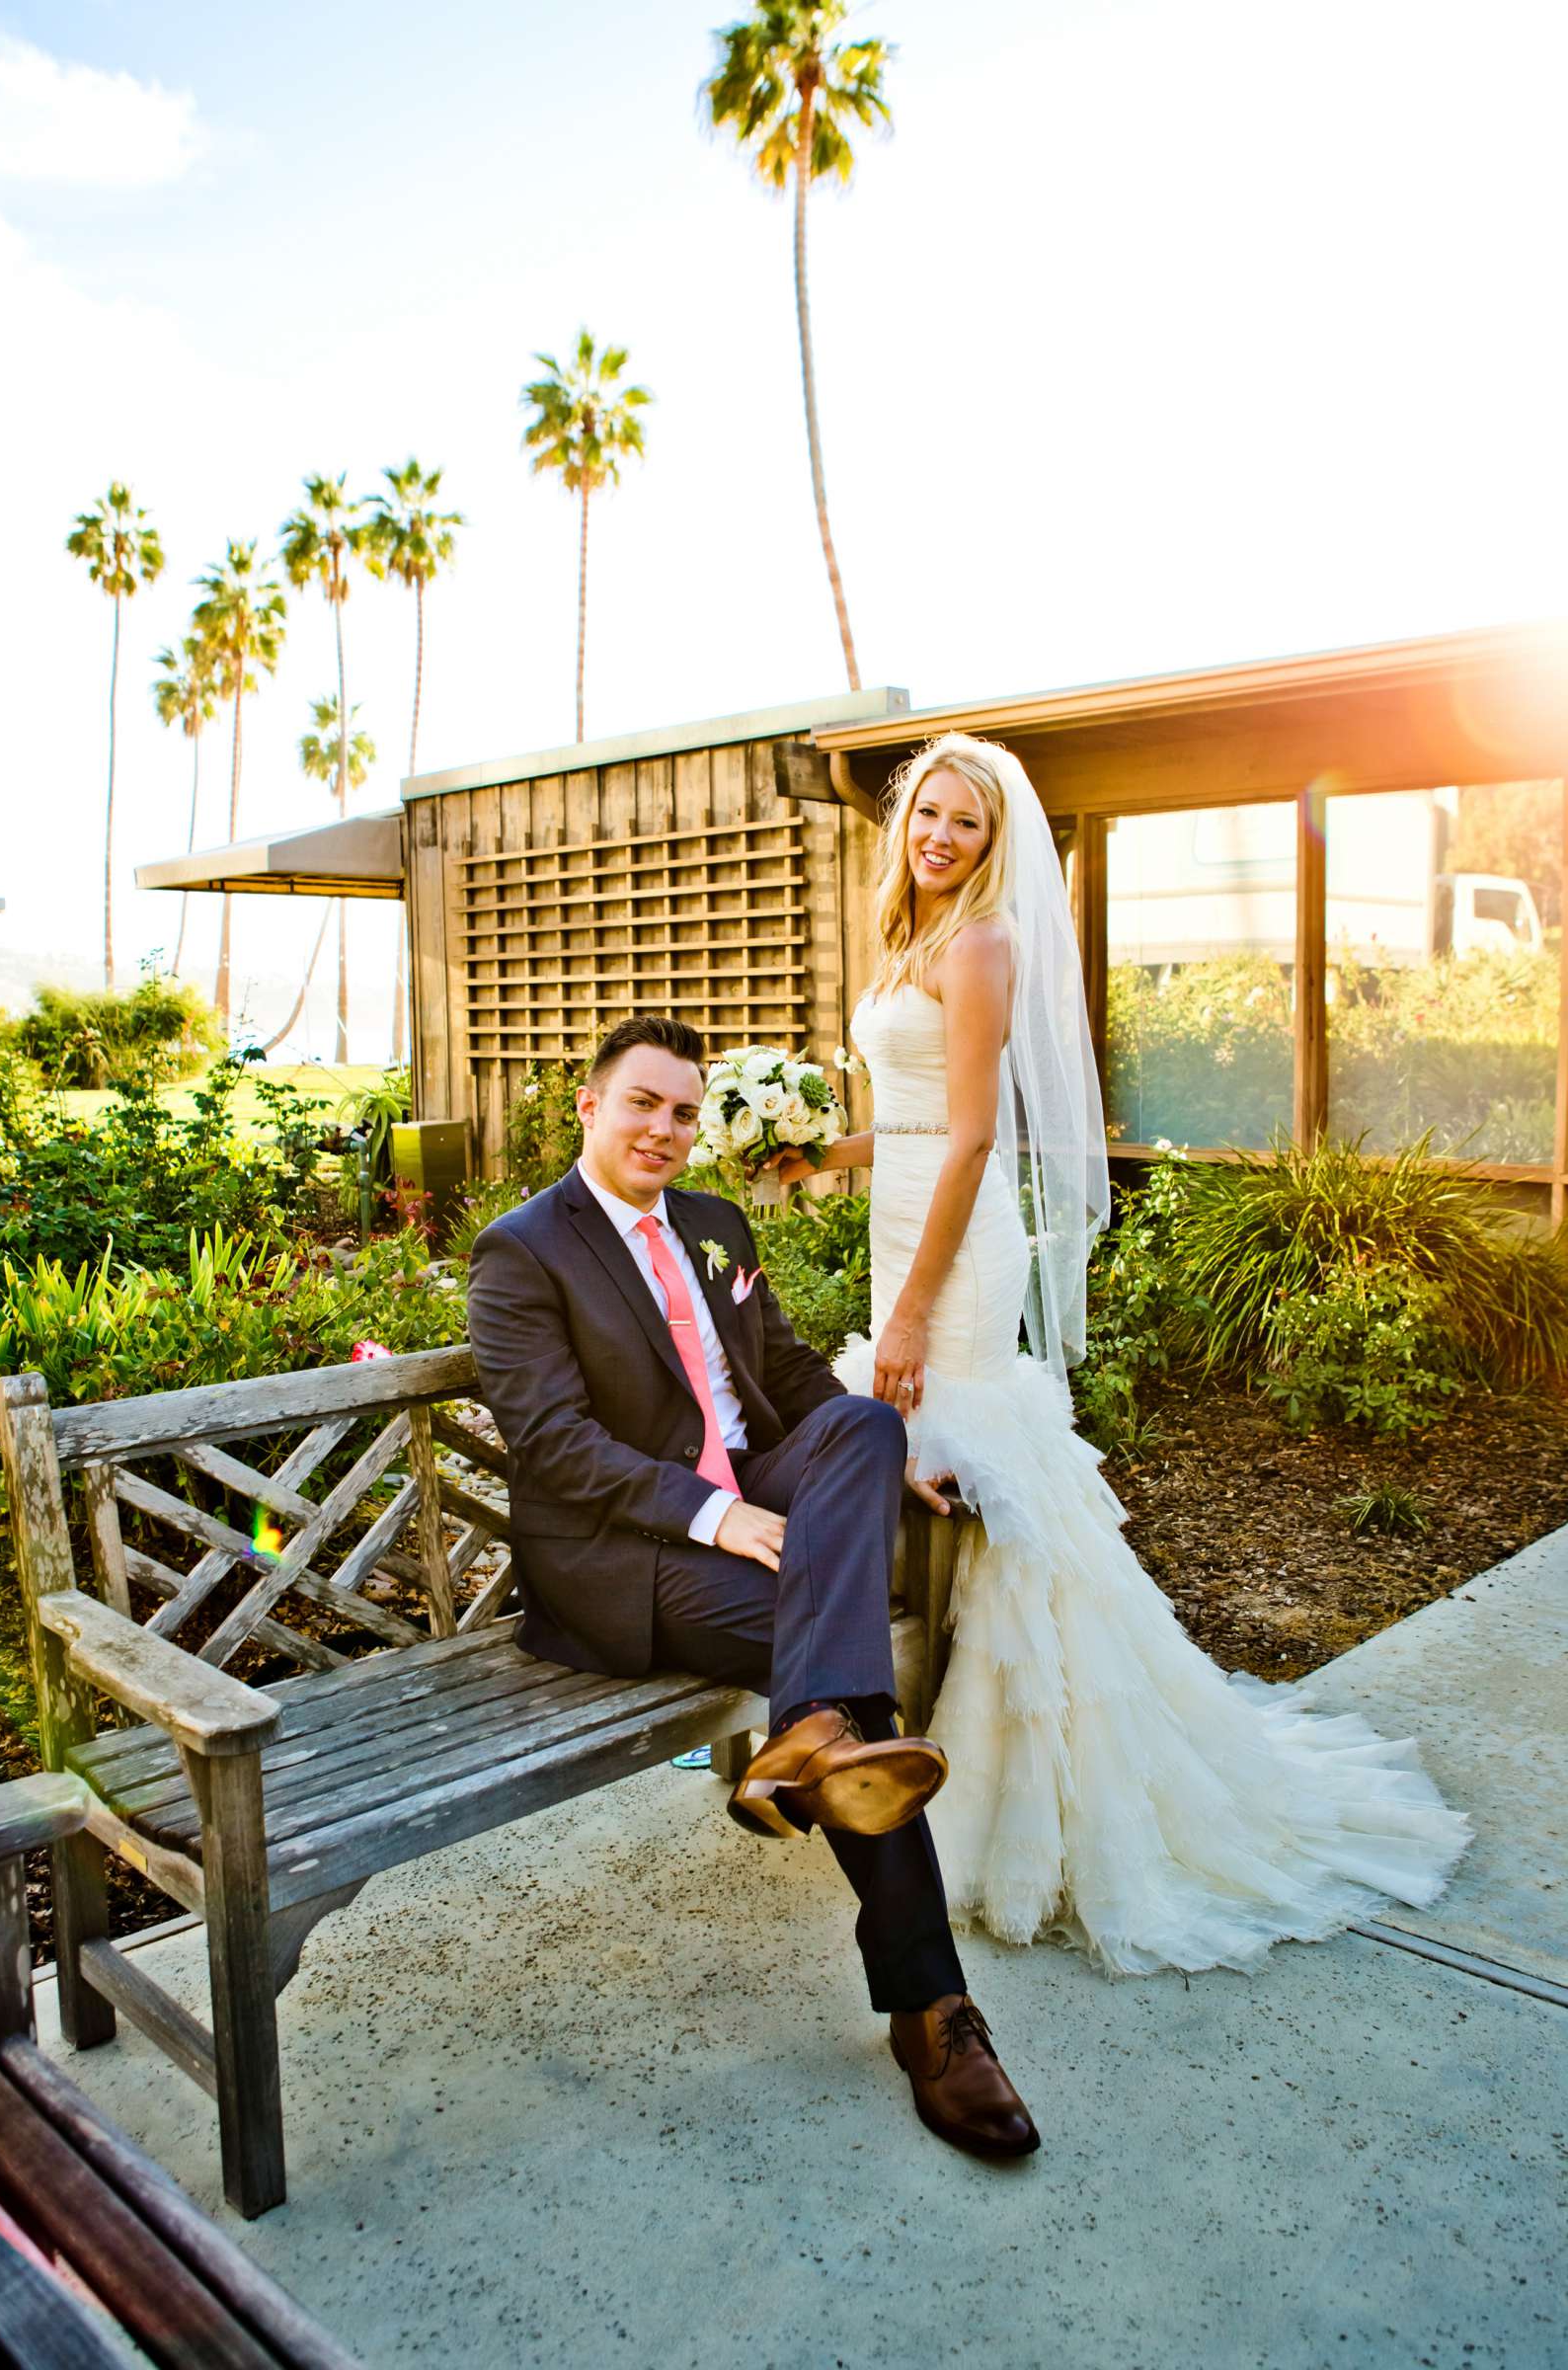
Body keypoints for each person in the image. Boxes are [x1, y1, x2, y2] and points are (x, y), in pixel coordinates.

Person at [765, 732, 1470, 1972]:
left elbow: (977, 1142)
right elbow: (917, 1121)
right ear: (904, 824)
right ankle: (899, 1729)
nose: (940, 837)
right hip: (903, 1221)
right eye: (928, 815)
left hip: (956, 1250)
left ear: (994, 845)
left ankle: (1016, 1771)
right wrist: (818, 1156)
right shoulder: (908, 942)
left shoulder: (983, 944)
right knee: (919, 1457)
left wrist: (918, 1307)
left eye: (966, 826)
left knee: (968, 1449)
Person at [467, 1013, 1039, 2157]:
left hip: (758, 1508)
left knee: (867, 1420)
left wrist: (884, 1466)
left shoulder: (716, 1224)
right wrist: (720, 1516)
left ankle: (812, 1733)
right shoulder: (522, 1250)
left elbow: (781, 1373)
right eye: (643, 1103)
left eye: (684, 1111)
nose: (666, 1130)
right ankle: (933, 2014)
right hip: (630, 1558)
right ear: (590, 1106)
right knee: (848, 1681)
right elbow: (551, 1442)